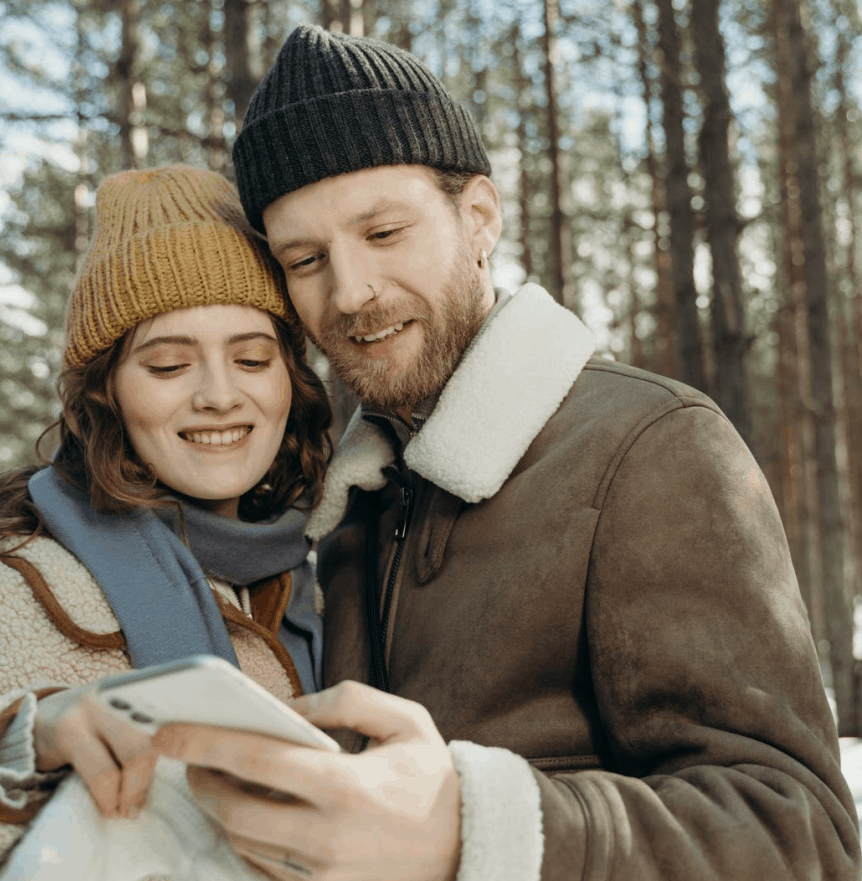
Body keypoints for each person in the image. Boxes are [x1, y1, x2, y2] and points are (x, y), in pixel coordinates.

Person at [156, 25, 862, 881]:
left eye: (383, 233)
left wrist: (472, 825)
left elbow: (804, 837)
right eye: (306, 259)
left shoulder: (648, 447)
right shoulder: (349, 507)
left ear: (479, 217)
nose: (350, 293)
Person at [0, 164, 332, 880]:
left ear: (291, 377)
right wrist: (21, 743)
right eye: (167, 366)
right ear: (104, 395)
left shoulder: (336, 582)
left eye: (252, 357)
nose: (220, 395)